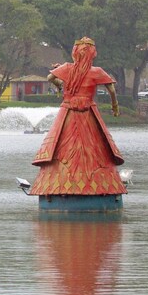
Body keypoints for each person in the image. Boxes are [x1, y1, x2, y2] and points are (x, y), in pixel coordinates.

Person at [29, 36, 126, 198]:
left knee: (63, 144)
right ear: (92, 53)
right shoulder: (96, 71)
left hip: (68, 112)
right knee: (94, 146)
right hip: (88, 113)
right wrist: (115, 106)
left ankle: (57, 185)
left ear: (75, 52)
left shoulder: (67, 68)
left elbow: (50, 78)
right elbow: (112, 90)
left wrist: (61, 85)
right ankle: (98, 185)